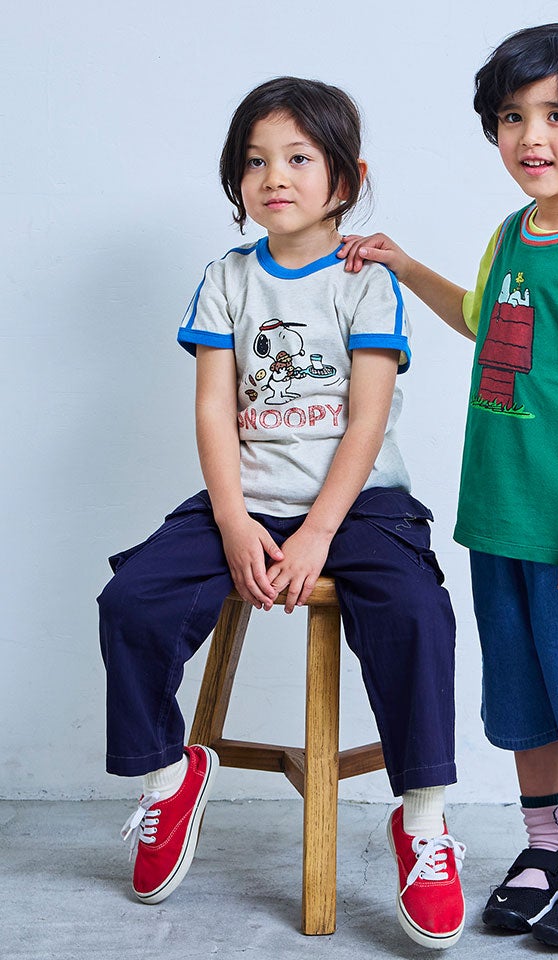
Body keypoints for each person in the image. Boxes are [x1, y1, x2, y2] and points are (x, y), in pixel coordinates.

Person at [98, 76, 466, 950]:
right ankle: (167, 780)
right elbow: (212, 411)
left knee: (417, 611)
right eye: (256, 161)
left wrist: (317, 534)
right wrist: (233, 523)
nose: (275, 177)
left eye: (299, 158)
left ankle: (423, 820)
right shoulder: (227, 279)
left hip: (360, 506)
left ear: (347, 176)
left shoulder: (365, 283)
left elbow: (366, 421)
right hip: (247, 499)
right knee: (131, 601)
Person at [339, 23, 558, 951]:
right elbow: (483, 320)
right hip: (500, 521)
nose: (531, 135)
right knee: (525, 696)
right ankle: (545, 847)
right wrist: (406, 266)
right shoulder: (513, 236)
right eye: (512, 117)